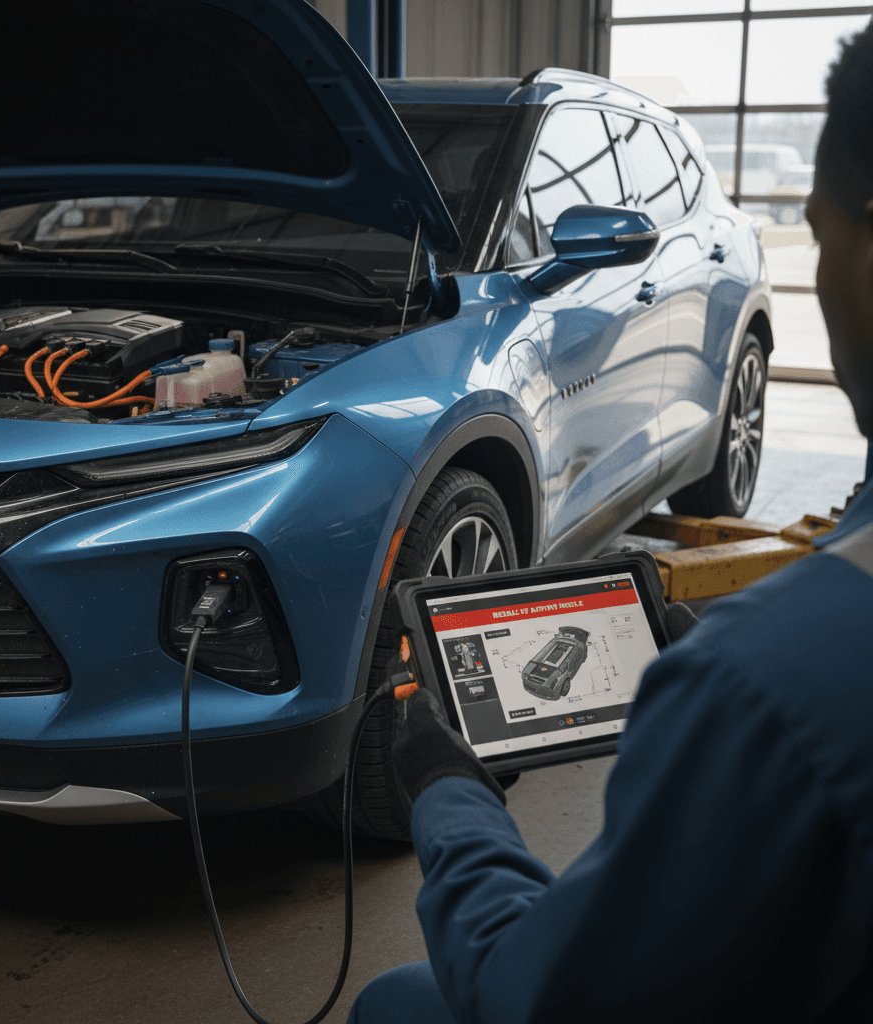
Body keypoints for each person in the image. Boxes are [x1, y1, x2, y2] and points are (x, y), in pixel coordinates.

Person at [348, 21, 873, 1024]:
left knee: (395, 1004)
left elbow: (536, 995)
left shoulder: (764, 685)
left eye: (821, 228)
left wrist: (449, 792)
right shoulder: (764, 663)